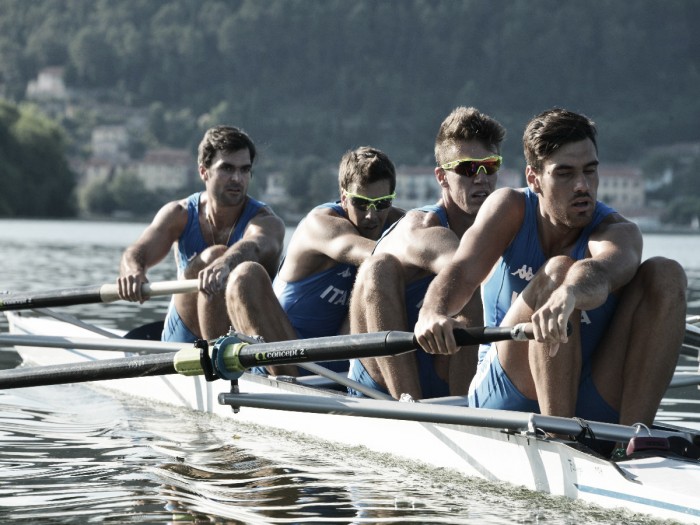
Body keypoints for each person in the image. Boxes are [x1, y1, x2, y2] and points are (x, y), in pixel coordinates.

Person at [415, 108, 687, 428]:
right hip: (508, 393)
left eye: (590, 171)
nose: (582, 186)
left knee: (667, 274)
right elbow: (461, 271)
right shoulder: (509, 208)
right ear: (534, 179)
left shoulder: (619, 231)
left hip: (591, 391)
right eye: (565, 174)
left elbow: (603, 271)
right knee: (556, 271)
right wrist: (432, 311)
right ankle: (561, 439)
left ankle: (635, 439)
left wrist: (571, 293)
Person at [348, 106, 506, 400]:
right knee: (378, 267)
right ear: (442, 177)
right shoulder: (420, 227)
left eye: (490, 166)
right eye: (469, 168)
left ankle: (471, 414)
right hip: (381, 384)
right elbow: (465, 266)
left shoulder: (504, 228)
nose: (482, 178)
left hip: (444, 370)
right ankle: (415, 409)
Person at [226, 146, 404, 376]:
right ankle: (292, 385)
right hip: (283, 356)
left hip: (341, 361)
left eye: (381, 203)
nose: (371, 215)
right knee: (245, 276)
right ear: (344, 197)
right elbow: (375, 255)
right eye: (361, 203)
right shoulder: (321, 224)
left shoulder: (396, 221)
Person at [117, 125, 285, 342]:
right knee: (212, 256)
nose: (237, 178)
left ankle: (219, 357)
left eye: (244, 170)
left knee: (218, 257)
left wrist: (226, 263)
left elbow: (255, 245)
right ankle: (213, 358)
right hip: (183, 333)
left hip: (243, 335)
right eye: (227, 168)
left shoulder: (266, 221)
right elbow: (138, 251)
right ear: (203, 171)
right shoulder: (179, 214)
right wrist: (132, 271)